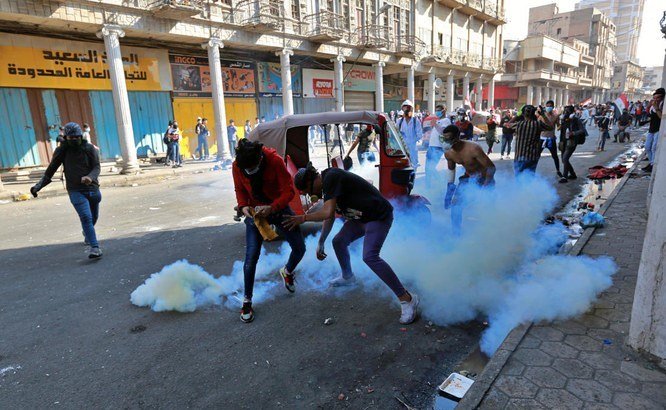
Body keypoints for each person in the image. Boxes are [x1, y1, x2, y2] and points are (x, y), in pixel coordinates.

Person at [285, 164, 420, 325]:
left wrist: (303, 218)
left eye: (308, 190)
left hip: (378, 217)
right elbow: (330, 215)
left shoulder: (331, 177)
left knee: (370, 257)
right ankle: (348, 277)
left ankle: (407, 299)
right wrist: (321, 241)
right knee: (338, 242)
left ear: (311, 179)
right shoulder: (327, 185)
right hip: (361, 219)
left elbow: (327, 212)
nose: (311, 194)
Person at [232, 139, 306, 323]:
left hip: (278, 209)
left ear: (260, 159)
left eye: (253, 168)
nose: (249, 172)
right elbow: (239, 190)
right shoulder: (237, 165)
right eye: (246, 170)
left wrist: (272, 208)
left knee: (299, 248)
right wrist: (243, 208)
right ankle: (247, 301)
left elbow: (289, 192)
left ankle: (287, 271)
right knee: (251, 257)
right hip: (255, 213)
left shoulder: (274, 161)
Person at [30, 122, 103, 259]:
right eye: (71, 138)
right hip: (75, 190)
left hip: (93, 189)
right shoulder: (62, 151)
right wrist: (38, 186)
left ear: (81, 136)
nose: (74, 140)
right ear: (66, 138)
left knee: (93, 217)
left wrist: (90, 177)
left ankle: (87, 233)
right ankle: (95, 247)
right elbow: (50, 170)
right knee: (86, 217)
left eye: (77, 137)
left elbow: (97, 167)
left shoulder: (89, 148)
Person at [439, 125, 496, 236]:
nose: (447, 141)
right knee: (456, 206)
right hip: (468, 178)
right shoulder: (448, 153)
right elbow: (451, 171)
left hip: (484, 178)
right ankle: (456, 234)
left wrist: (486, 186)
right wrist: (449, 192)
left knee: (486, 208)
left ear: (457, 137)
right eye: (445, 138)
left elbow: (491, 168)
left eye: (449, 138)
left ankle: (489, 233)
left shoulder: (473, 148)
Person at [510, 105, 551, 175]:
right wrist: (543, 115)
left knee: (518, 179)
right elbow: (550, 127)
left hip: (519, 157)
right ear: (534, 114)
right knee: (530, 178)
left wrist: (517, 115)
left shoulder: (519, 124)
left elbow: (507, 125)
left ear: (523, 114)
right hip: (532, 157)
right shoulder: (538, 124)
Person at [425, 105, 452, 189]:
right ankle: (428, 186)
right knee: (427, 168)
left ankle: (440, 182)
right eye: (436, 110)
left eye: (439, 110)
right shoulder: (438, 121)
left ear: (444, 111)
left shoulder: (446, 120)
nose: (437, 112)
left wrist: (435, 124)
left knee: (431, 168)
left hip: (437, 147)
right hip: (431, 146)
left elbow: (444, 132)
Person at [558, 105, 586, 183]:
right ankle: (573, 174)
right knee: (564, 160)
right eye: (565, 110)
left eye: (568, 111)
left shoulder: (576, 120)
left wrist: (573, 133)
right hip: (563, 141)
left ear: (572, 112)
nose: (566, 112)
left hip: (572, 142)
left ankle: (564, 176)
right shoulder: (564, 119)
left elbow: (582, 130)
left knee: (565, 158)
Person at [537, 100, 562, 178]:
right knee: (537, 156)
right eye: (547, 106)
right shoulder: (541, 116)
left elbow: (558, 126)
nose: (548, 107)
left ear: (553, 107)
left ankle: (558, 170)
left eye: (550, 106)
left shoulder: (556, 116)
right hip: (542, 138)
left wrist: (561, 125)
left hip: (551, 139)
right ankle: (532, 170)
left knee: (555, 156)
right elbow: (537, 126)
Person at [397, 100, 423, 170]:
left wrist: (412, 141)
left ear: (411, 109)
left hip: (413, 148)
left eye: (408, 108)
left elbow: (420, 134)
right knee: (403, 166)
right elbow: (396, 134)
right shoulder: (399, 121)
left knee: (413, 166)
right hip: (402, 148)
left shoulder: (415, 121)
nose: (407, 110)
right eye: (405, 108)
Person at [643, 87, 664, 172]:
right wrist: (648, 108)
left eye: (658, 98)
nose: (656, 100)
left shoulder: (662, 105)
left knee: (654, 148)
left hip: (659, 129)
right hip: (651, 129)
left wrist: (656, 108)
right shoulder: (652, 106)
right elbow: (650, 116)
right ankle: (652, 163)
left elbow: (661, 117)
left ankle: (653, 165)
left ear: (662, 97)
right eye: (654, 98)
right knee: (647, 147)